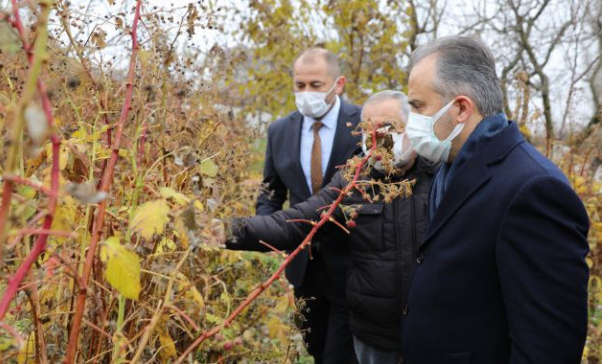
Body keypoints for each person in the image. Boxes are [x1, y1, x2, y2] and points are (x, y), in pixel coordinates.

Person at [400, 36, 590, 363]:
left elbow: (547, 346)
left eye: (417, 106)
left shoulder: (533, 190)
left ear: (460, 108)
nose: (410, 119)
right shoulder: (449, 168)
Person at [219, 91, 436, 363]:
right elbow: (294, 223)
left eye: (389, 128)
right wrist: (225, 230)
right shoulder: (353, 181)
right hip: (375, 337)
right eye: (368, 131)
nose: (378, 139)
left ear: (412, 127)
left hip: (432, 332)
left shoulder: (440, 173)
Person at [255, 47, 361, 362]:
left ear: (338, 83)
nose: (306, 93)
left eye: (315, 85)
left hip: (352, 263)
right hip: (303, 270)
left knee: (339, 355)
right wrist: (269, 232)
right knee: (315, 351)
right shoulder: (279, 131)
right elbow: (270, 192)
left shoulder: (363, 124)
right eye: (299, 85)